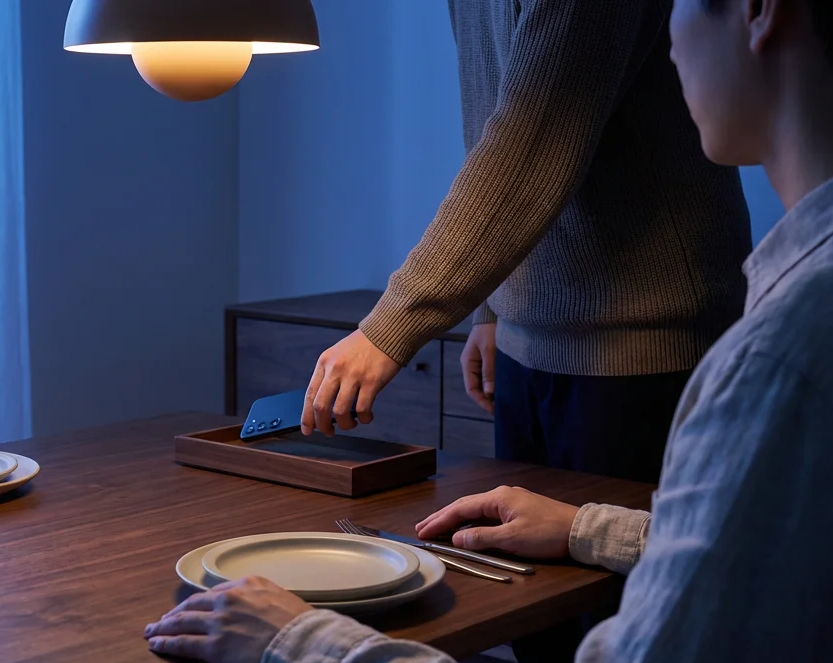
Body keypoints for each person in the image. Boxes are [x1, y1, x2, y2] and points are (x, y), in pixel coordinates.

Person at [145, 0, 833, 663]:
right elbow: (754, 562)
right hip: (536, 341)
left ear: (761, 12)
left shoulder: (788, 363)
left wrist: (300, 643)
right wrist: (584, 523)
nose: (664, 34)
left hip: (634, 346)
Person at [301, 0, 749, 490]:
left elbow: (534, 135)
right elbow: (494, 115)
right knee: (521, 558)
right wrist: (494, 309)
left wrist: (388, 327)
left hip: (643, 349)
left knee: (618, 557)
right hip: (525, 346)